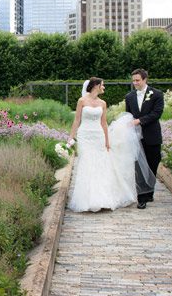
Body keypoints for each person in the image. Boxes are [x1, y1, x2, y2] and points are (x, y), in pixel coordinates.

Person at [67, 77, 137, 212]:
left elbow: (103, 123)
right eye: (102, 85)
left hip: (98, 136)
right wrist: (71, 137)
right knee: (86, 163)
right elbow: (77, 120)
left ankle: (101, 198)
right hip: (85, 136)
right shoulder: (82, 101)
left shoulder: (103, 103)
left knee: (100, 165)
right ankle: (86, 199)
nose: (104, 87)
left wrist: (107, 140)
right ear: (96, 86)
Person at [125, 68, 164, 209]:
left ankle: (149, 192)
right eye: (133, 80)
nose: (135, 83)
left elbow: (157, 113)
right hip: (136, 137)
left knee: (153, 164)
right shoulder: (129, 97)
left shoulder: (157, 94)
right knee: (139, 168)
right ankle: (141, 198)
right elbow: (128, 115)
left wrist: (139, 120)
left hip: (152, 136)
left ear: (145, 79)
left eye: (137, 80)